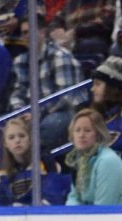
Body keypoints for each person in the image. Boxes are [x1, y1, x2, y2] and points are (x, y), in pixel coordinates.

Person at [8, 13, 85, 148]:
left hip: (61, 112)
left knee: (51, 124)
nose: (26, 36)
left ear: (43, 32)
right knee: (7, 127)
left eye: (30, 31)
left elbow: (64, 98)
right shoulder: (20, 61)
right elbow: (17, 93)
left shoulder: (60, 56)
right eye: (24, 33)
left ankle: (40, 159)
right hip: (31, 113)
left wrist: (37, 113)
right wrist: (20, 113)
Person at [0, 117, 71, 206]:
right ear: (5, 144)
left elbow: (53, 198)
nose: (17, 140)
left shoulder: (45, 162)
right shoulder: (4, 172)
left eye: (22, 136)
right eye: (11, 138)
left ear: (30, 139)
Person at [64, 108, 122, 205]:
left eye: (87, 130)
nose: (81, 135)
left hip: (121, 213)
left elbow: (104, 206)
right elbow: (73, 197)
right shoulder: (79, 159)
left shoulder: (108, 161)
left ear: (98, 134)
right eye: (77, 130)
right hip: (91, 212)